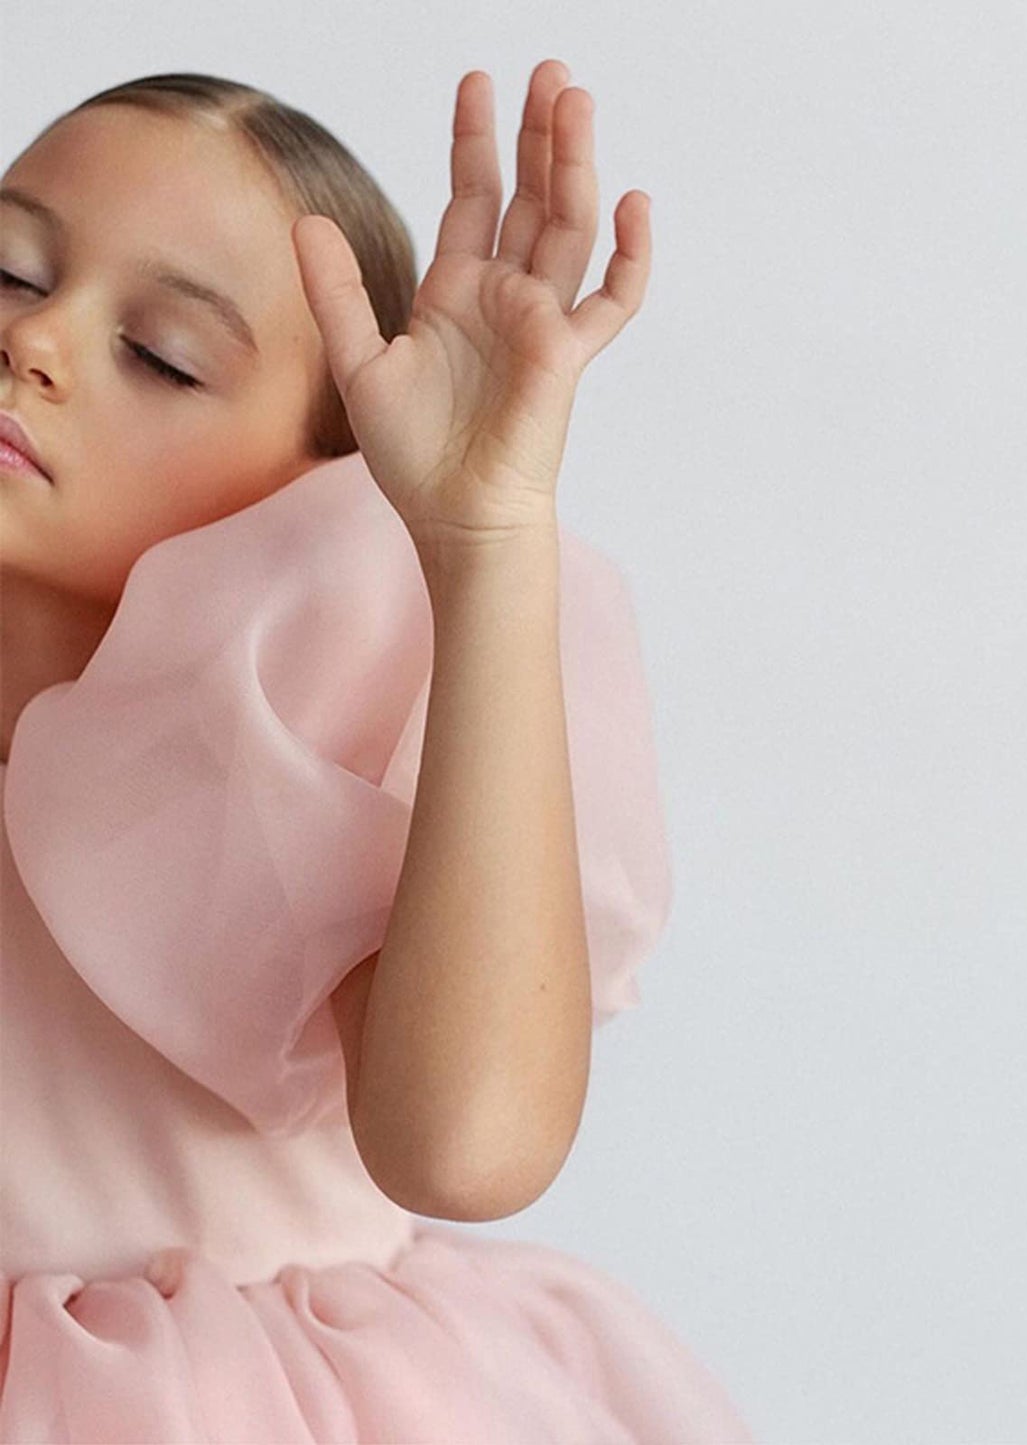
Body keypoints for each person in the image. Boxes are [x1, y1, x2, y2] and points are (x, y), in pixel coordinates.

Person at [0, 60, 754, 1442]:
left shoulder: (255, 761)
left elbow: (468, 1147)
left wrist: (482, 546)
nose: (36, 343)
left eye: (160, 352)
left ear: (309, 483)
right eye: (11, 271)